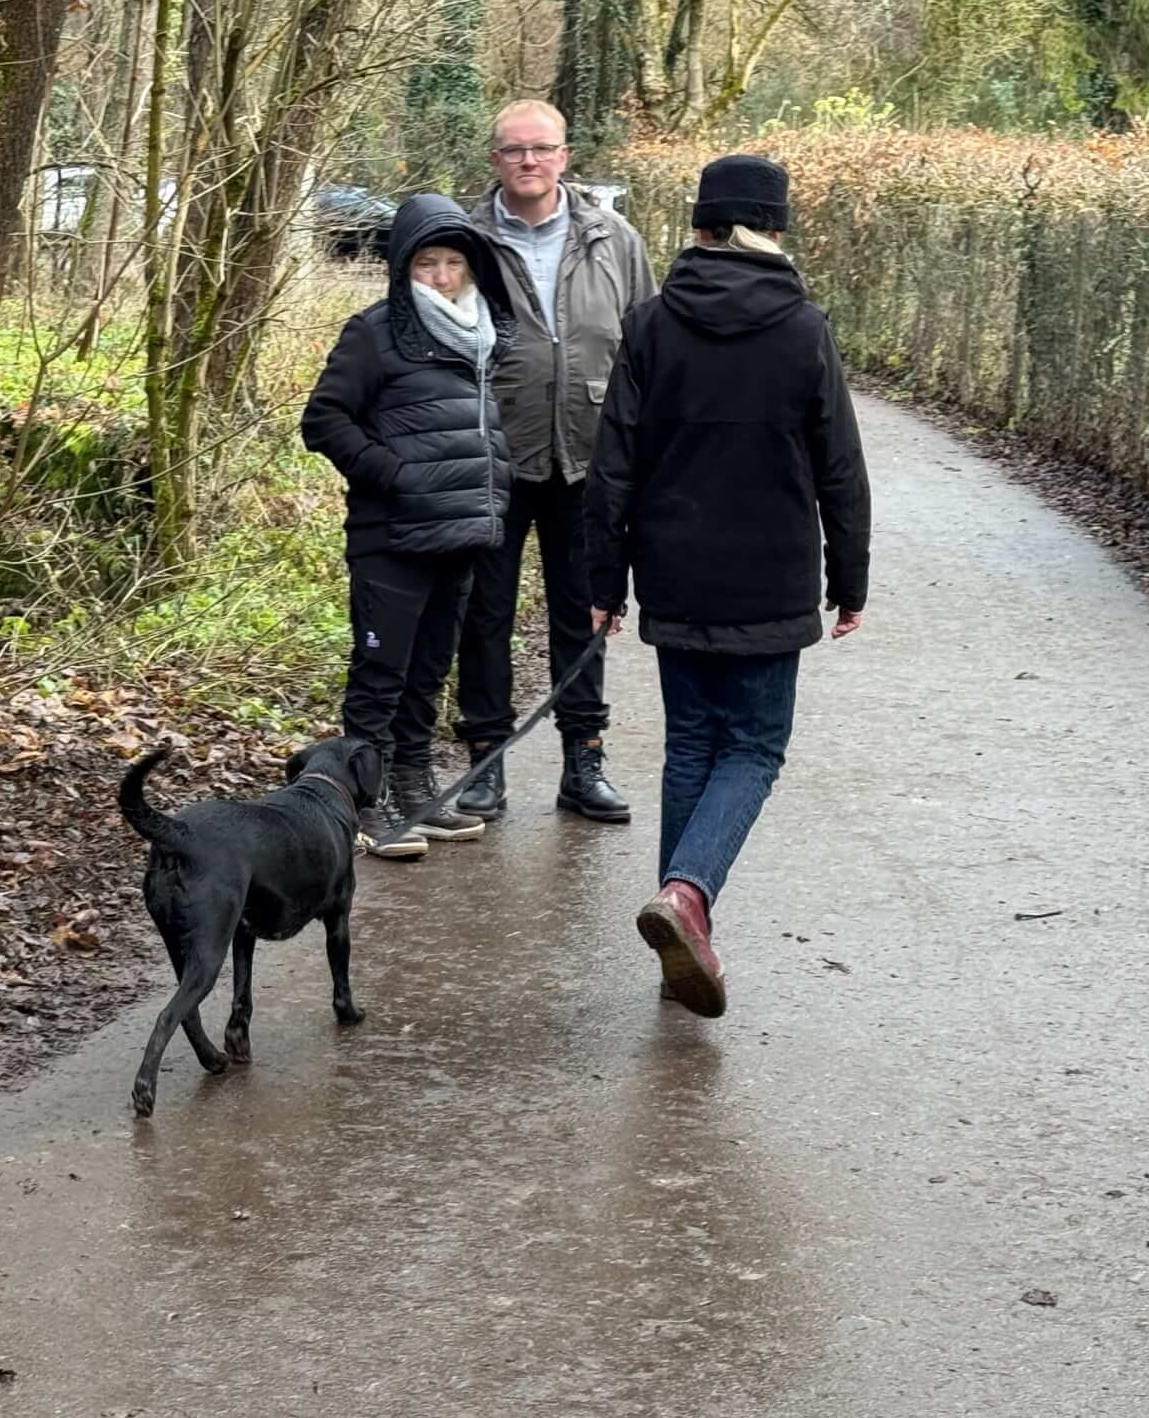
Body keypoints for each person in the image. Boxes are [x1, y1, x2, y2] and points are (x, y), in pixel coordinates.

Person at [583, 153, 872, 1015]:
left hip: (673, 570)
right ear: (773, 229)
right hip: (770, 576)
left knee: (691, 747)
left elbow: (612, 465)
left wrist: (604, 581)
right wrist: (850, 579)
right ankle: (687, 896)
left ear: (702, 226)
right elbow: (841, 467)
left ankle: (679, 943)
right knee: (752, 749)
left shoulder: (650, 325)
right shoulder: (804, 329)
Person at [449, 99, 658, 828]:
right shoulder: (464, 241)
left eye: (541, 148)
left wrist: (646, 453)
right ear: (495, 160)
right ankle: (484, 761)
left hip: (589, 459)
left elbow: (648, 345)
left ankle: (584, 761)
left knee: (585, 612)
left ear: (565, 157)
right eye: (514, 150)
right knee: (484, 614)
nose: (528, 161)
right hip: (490, 455)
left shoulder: (614, 239)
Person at [302, 193, 516, 861]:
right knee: (381, 675)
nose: (442, 276)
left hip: (459, 534)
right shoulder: (373, 333)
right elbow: (323, 420)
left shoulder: (482, 335)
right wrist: (393, 474)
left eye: (453, 262)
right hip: (390, 537)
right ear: (403, 266)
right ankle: (364, 803)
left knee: (427, 674)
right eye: (427, 263)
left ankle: (415, 787)